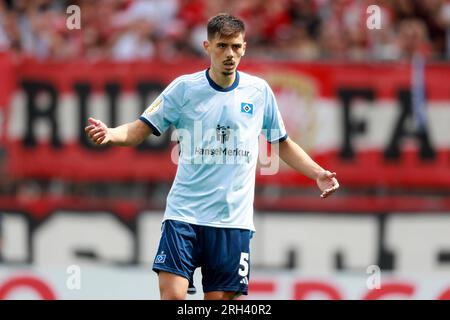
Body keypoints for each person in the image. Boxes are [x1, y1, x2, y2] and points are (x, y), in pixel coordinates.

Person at [85, 13, 339, 300]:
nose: (229, 54)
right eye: (222, 46)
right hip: (184, 214)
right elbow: (137, 130)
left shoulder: (259, 92)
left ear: (244, 47)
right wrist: (110, 134)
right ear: (207, 47)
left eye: (236, 46)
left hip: (232, 222)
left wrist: (317, 173)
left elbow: (282, 143)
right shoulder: (184, 89)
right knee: (173, 296)